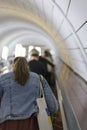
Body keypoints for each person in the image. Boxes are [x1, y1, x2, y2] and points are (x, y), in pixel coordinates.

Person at [0, 57, 58, 130]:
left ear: (12, 66)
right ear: (27, 66)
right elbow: (53, 107)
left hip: (7, 124)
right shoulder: (39, 79)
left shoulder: (2, 79)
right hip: (31, 124)